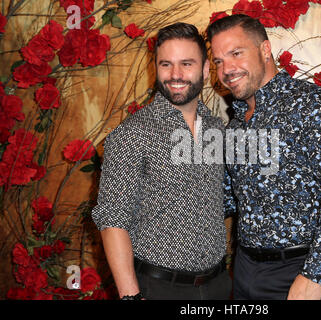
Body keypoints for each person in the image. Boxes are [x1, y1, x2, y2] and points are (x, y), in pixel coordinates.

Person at [207, 14, 321, 300]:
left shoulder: (312, 105)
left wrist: (313, 274)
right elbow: (231, 197)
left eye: (236, 53)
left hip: (300, 271)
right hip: (245, 270)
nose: (226, 69)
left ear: (265, 50)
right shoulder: (237, 122)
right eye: (218, 61)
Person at [91, 22, 231, 300]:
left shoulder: (217, 130)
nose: (176, 75)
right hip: (158, 288)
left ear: (204, 70)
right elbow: (112, 220)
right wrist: (130, 296)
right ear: (155, 68)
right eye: (166, 64)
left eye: (186, 64)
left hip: (217, 285)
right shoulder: (132, 134)